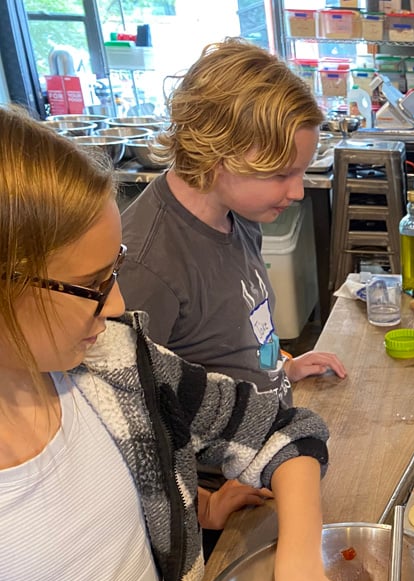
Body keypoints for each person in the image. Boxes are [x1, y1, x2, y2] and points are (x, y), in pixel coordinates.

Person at [0, 107, 365, 581]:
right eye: (90, 285)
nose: (116, 306)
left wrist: (301, 568)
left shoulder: (114, 363)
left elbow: (283, 428)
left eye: (113, 271)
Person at [117, 39, 347, 546]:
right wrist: (202, 507)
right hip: (217, 487)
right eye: (281, 174)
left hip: (263, 450)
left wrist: (280, 366)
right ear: (216, 154)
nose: (298, 190)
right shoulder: (147, 266)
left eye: (302, 170)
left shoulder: (238, 215)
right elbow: (129, 423)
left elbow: (227, 327)